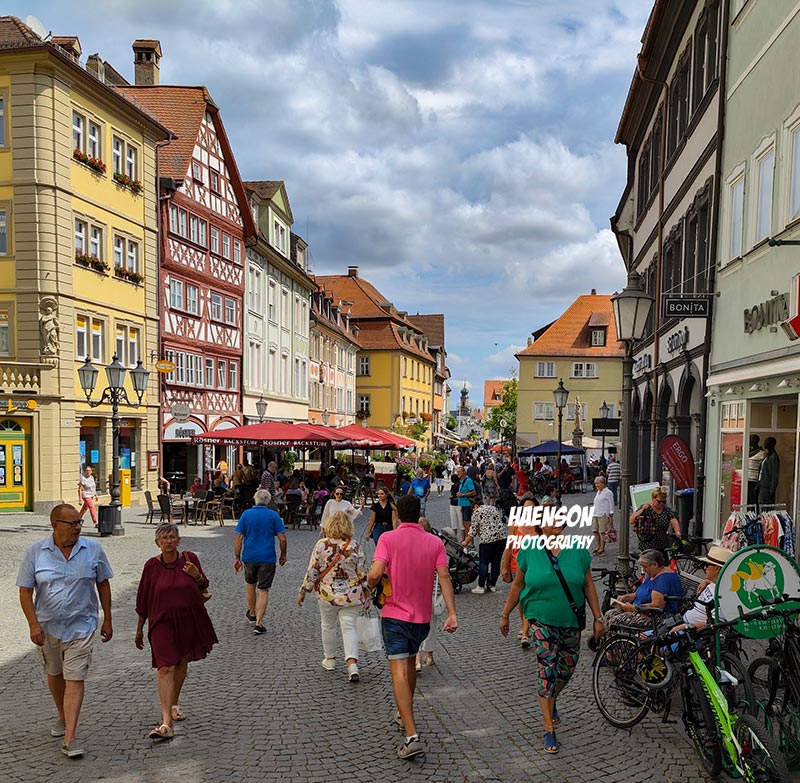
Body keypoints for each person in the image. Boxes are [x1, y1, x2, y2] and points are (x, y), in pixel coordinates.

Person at [499, 511, 603, 755]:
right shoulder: (529, 550)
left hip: (570, 619)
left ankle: (551, 700)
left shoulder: (577, 549)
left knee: (567, 668)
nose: (556, 522)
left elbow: (588, 584)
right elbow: (518, 584)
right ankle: (549, 729)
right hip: (540, 617)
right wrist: (505, 614)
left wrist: (598, 618)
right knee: (547, 668)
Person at [17, 503, 113, 757]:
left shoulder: (93, 549)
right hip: (47, 626)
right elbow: (25, 591)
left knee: (75, 678)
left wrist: (108, 619)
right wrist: (33, 623)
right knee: (55, 673)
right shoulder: (35, 552)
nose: (77, 528)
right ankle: (62, 714)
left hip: (82, 625)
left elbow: (103, 584)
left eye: (79, 522)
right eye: (72, 524)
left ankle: (70, 737)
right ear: (55, 525)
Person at [367, 495, 457, 760]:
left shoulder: (387, 539)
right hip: (421, 618)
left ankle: (411, 736)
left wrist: (368, 586)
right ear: (418, 514)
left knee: (398, 672)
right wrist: (452, 613)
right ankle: (402, 712)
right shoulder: (434, 542)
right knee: (409, 665)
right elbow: (444, 577)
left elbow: (375, 573)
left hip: (394, 615)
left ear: (399, 514)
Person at [135, 523, 218, 739]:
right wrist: (139, 628)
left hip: (187, 620)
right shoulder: (151, 566)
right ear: (157, 542)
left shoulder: (190, 559)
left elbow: (204, 585)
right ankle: (166, 723)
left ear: (178, 540)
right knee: (165, 667)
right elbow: (143, 598)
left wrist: (196, 575)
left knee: (181, 662)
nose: (169, 541)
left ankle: (173, 703)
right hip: (161, 622)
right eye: (164, 538)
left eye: (172, 537)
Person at [297, 510, 369, 682]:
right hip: (351, 594)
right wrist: (366, 590)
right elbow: (362, 571)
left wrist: (304, 591)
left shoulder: (321, 545)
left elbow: (313, 570)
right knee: (349, 627)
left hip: (327, 594)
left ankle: (330, 659)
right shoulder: (354, 545)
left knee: (328, 626)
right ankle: (352, 664)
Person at [234, 489, 287, 635]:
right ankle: (259, 623)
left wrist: (237, 557)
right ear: (268, 501)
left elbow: (239, 538)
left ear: (254, 499)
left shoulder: (246, 514)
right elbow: (282, 538)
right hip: (267, 557)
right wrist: (283, 554)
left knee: (250, 584)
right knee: (264, 589)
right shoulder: (273, 515)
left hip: (249, 556)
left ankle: (252, 612)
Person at [603, 549, 682, 630]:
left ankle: (612, 638)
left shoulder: (663, 579)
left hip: (655, 616)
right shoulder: (654, 573)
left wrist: (633, 608)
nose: (644, 570)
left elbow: (657, 605)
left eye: (645, 566)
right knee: (609, 614)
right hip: (642, 610)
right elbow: (642, 592)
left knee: (614, 621)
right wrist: (627, 597)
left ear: (655, 565)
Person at [501, 493, 537, 647]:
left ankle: (526, 631)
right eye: (526, 508)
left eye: (532, 508)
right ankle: (526, 627)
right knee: (521, 600)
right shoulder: (515, 526)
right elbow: (509, 547)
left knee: (529, 598)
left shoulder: (540, 527)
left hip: (535, 568)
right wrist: (505, 566)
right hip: (517, 567)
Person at [671, 546, 733, 631]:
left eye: (707, 565)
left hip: (692, 631)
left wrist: (684, 627)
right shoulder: (715, 583)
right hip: (682, 619)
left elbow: (715, 622)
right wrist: (707, 581)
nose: (704, 568)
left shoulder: (724, 594)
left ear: (717, 569)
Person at [462, 504, 507, 594]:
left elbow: (473, 531)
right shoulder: (493, 508)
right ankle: (492, 585)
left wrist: (465, 543)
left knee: (484, 563)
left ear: (474, 507)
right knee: (496, 562)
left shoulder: (477, 512)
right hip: (501, 538)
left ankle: (481, 586)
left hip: (487, 540)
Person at [629, 486, 681, 557]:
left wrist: (678, 533)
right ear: (653, 498)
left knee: (664, 562)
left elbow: (674, 521)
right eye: (659, 501)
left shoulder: (666, 509)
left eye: (664, 501)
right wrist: (642, 509)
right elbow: (631, 520)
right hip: (648, 544)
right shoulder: (647, 508)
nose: (661, 503)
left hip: (662, 543)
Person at [591, 476, 615, 556]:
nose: (596, 485)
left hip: (603, 514)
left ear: (603, 483)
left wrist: (611, 516)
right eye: (595, 484)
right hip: (595, 513)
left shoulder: (608, 493)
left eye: (598, 483)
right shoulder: (598, 491)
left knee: (602, 532)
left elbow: (611, 505)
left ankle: (602, 548)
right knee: (595, 530)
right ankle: (598, 546)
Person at [455, 465, 477, 538]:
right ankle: (467, 540)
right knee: (464, 524)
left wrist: (463, 494)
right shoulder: (461, 481)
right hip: (463, 504)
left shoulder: (468, 480)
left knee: (468, 524)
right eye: (457, 472)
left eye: (459, 472)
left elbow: (473, 492)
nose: (458, 473)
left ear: (464, 472)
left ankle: (469, 541)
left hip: (467, 504)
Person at [758, 436, 780, 506]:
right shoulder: (767, 455)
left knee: (766, 508)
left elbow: (775, 474)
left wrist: (772, 490)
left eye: (766, 441)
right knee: (760, 507)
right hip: (762, 486)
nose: (764, 443)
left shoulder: (773, 456)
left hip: (767, 488)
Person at [448, 472, 462, 537]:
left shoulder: (460, 486)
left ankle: (463, 537)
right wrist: (451, 497)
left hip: (459, 504)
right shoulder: (453, 486)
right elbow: (452, 493)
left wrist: (454, 497)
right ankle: (454, 535)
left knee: (460, 520)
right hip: (452, 504)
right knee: (453, 520)